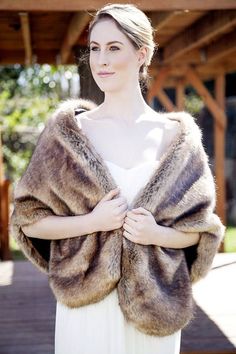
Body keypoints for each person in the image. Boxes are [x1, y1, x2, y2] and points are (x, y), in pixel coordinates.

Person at [10, 3, 225, 354]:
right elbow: (29, 222)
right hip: (86, 306)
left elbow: (200, 233)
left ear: (142, 54)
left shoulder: (179, 138)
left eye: (114, 48)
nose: (101, 60)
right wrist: (91, 222)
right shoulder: (67, 133)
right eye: (95, 48)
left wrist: (156, 234)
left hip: (156, 306)